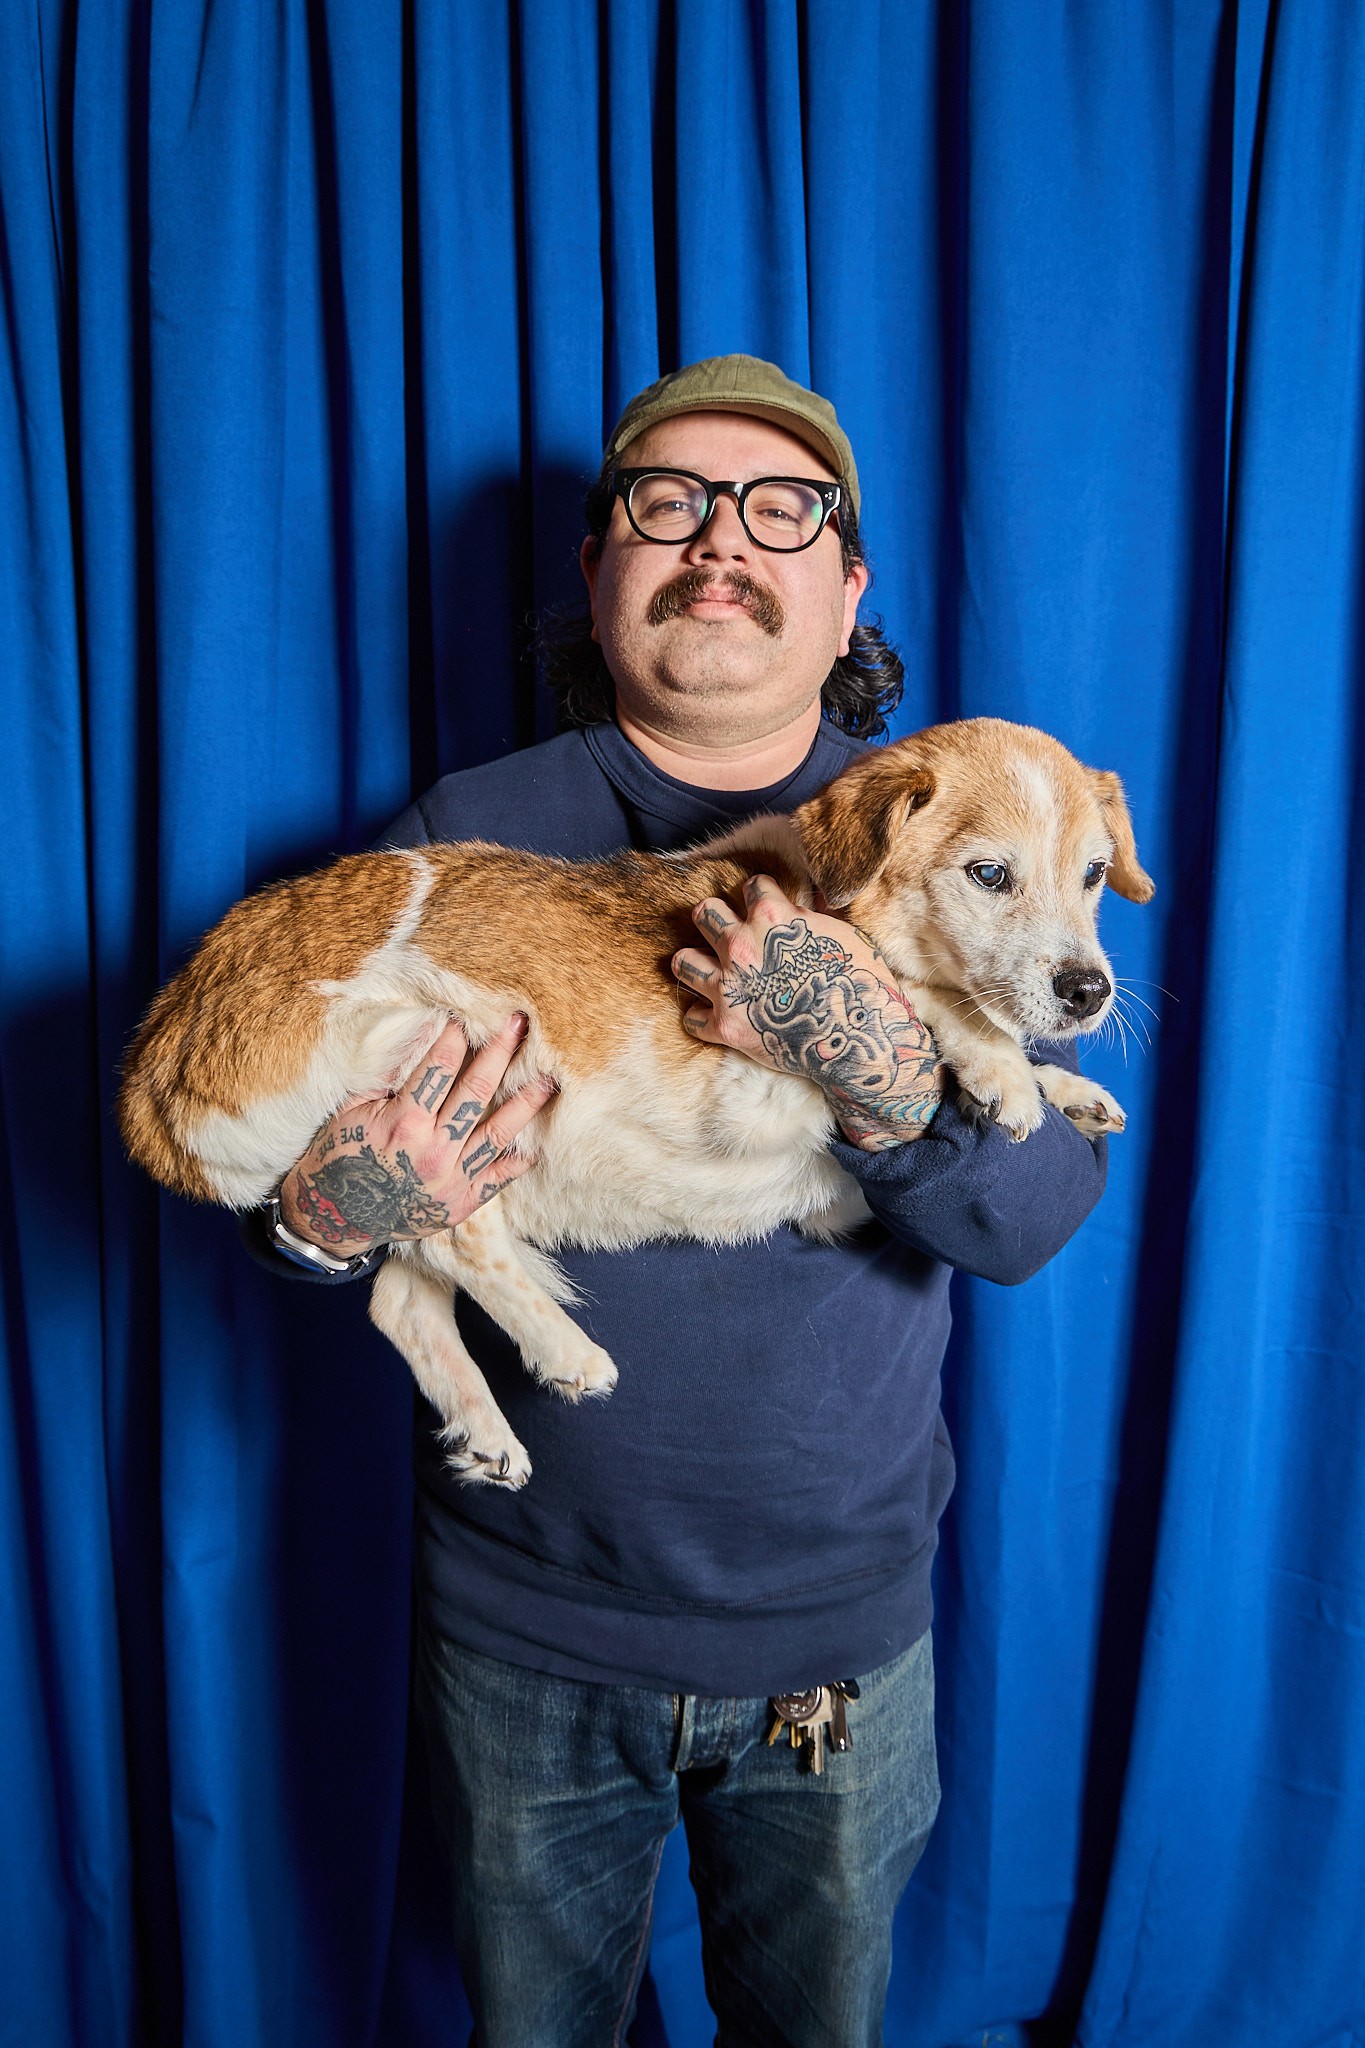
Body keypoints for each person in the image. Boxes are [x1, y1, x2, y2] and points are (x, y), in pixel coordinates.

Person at [247, 356, 1108, 2047]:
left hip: (834, 1643)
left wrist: (879, 1074)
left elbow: (1026, 1223)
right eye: (668, 506)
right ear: (596, 571)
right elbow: (297, 1175)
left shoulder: (966, 820)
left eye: (780, 510)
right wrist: (318, 1219)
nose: (722, 543)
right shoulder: (468, 833)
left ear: (846, 584)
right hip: (525, 1635)